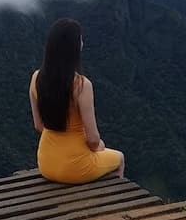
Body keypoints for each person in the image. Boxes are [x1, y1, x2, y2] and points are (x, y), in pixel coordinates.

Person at [29, 18, 125, 183]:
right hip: (75, 168)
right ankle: (113, 198)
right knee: (119, 158)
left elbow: (38, 126)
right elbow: (93, 140)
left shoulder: (36, 78)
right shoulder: (81, 85)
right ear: (74, 47)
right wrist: (99, 146)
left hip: (46, 163)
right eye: (80, 39)